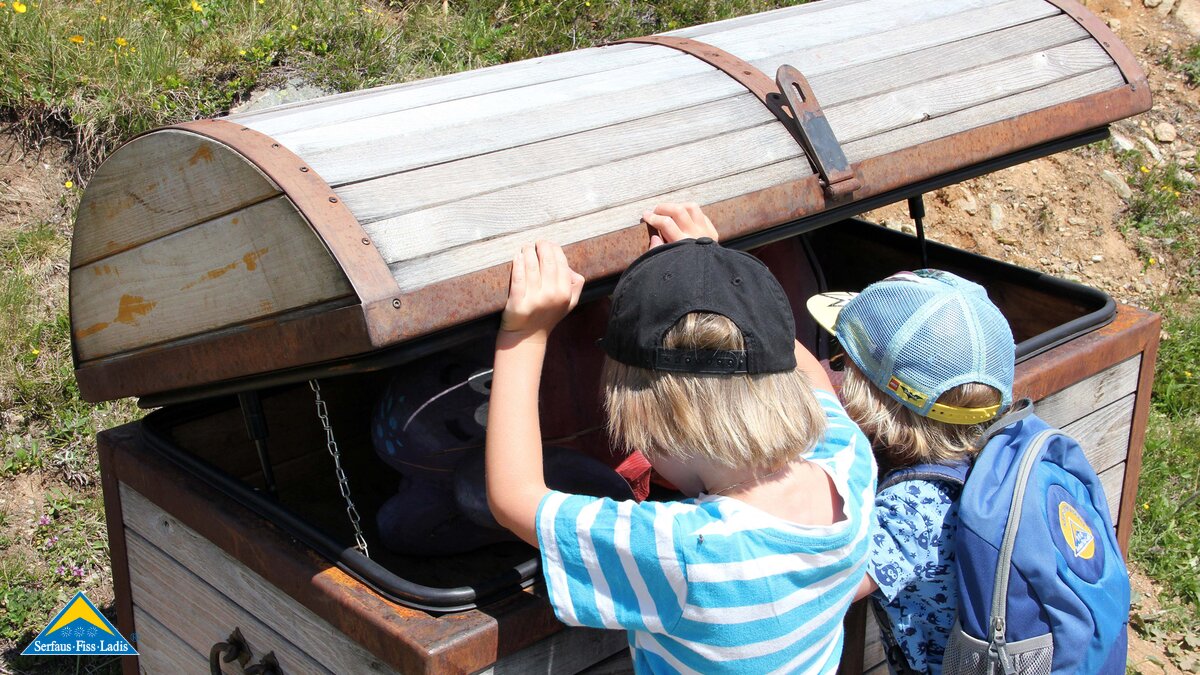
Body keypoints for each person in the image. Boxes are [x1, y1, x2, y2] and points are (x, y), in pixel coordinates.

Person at [484, 203, 876, 673]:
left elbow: (513, 497)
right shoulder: (849, 464)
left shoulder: (689, 552)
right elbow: (807, 373)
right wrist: (718, 279)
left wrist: (523, 334)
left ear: (661, 437)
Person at [806, 270, 1016, 675]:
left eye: (840, 358)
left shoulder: (913, 509)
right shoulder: (997, 445)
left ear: (868, 394)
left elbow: (821, 582)